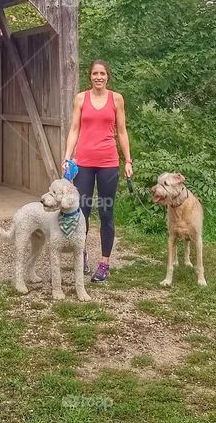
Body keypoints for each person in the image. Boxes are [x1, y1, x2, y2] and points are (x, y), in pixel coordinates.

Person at [62, 60, 133, 282]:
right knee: (81, 211)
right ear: (90, 76)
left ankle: (104, 263)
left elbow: (121, 132)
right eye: (95, 73)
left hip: (108, 163)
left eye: (102, 73)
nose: (98, 77)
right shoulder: (81, 99)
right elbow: (74, 128)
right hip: (83, 162)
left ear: (107, 76)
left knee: (106, 212)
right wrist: (67, 156)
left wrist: (128, 160)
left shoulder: (117, 99)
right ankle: (81, 256)